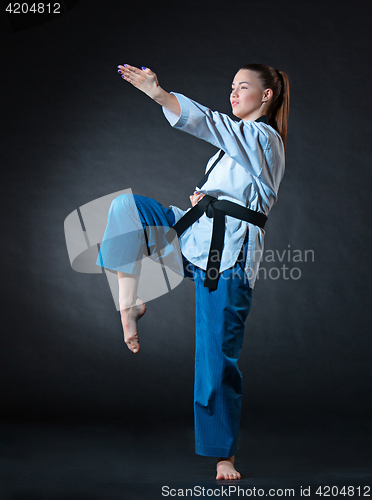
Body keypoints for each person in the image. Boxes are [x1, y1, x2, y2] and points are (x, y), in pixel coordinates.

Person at [97, 62, 290, 480]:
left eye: (243, 87)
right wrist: (207, 197)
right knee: (124, 209)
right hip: (196, 236)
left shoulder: (264, 138)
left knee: (216, 357)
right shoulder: (234, 147)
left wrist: (158, 93)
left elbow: (211, 125)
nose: (234, 93)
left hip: (230, 258)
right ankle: (128, 306)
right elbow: (236, 190)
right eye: (232, 86)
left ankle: (224, 455)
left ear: (267, 95)